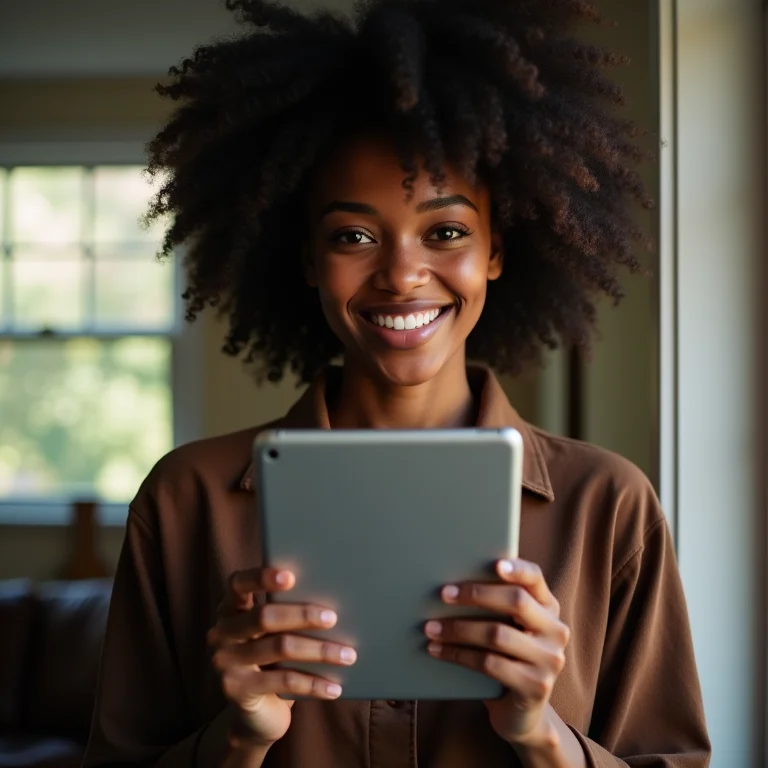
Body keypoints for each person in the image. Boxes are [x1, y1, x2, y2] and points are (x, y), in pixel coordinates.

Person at [83, 0, 711, 766]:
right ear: (309, 260)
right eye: (353, 236)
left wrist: (543, 737)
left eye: (446, 232)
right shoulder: (187, 499)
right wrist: (239, 736)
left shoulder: (609, 505)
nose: (402, 275)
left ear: (497, 250)